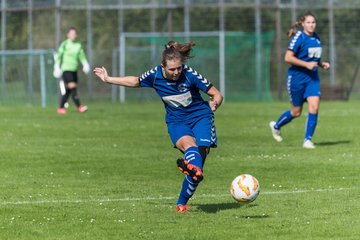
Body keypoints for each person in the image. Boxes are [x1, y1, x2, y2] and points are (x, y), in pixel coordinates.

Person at [93, 41, 223, 213]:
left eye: (179, 68)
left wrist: (215, 104)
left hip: (201, 117)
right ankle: (187, 186)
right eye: (172, 69)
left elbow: (216, 94)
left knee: (199, 157)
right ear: (163, 66)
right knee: (191, 151)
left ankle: (182, 201)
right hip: (177, 121)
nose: (176, 72)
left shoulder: (189, 74)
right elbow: (136, 81)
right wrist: (109, 79)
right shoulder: (155, 75)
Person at [269, 11, 330, 149]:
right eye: (308, 22)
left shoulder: (317, 38)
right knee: (296, 112)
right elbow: (288, 58)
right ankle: (276, 126)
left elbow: (313, 58)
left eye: (313, 22)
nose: (311, 25)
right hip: (296, 78)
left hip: (312, 78)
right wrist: (306, 64)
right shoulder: (299, 37)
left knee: (314, 107)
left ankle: (307, 140)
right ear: (303, 24)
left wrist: (321, 64)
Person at [53, 26, 90, 114]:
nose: (73, 35)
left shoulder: (78, 45)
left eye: (74, 34)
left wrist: (85, 64)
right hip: (66, 69)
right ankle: (79, 107)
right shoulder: (65, 44)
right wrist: (57, 66)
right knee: (73, 87)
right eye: (71, 34)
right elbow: (59, 56)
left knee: (70, 89)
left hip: (74, 70)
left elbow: (81, 56)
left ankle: (61, 108)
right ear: (68, 35)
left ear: (76, 35)